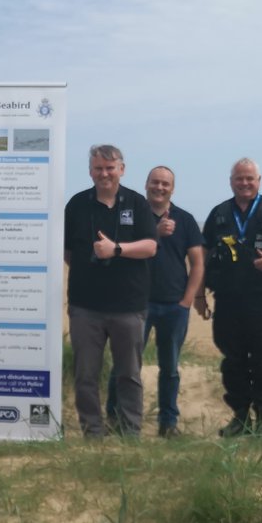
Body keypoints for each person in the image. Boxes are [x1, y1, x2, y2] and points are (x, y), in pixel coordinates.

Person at [195, 158, 262, 437]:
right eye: (239, 178)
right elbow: (202, 255)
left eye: (249, 179)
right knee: (232, 361)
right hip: (226, 301)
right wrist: (198, 294)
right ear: (231, 181)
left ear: (259, 181)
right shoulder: (219, 213)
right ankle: (240, 418)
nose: (244, 183)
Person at [64, 145, 157, 439]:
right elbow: (68, 251)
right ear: (90, 171)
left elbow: (150, 247)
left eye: (109, 167)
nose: (104, 173)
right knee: (86, 375)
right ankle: (92, 431)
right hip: (85, 307)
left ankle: (130, 432)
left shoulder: (138, 203)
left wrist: (116, 250)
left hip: (128, 306)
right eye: (98, 168)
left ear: (122, 169)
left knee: (129, 374)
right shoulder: (77, 204)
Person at [104, 166, 203, 438]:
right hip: (137, 304)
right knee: (126, 365)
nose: (159, 188)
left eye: (165, 184)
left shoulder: (186, 219)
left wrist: (187, 301)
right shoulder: (130, 215)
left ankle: (168, 423)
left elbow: (197, 263)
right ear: (146, 184)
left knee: (170, 368)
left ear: (173, 188)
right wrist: (155, 232)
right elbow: (119, 252)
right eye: (155, 182)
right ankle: (115, 418)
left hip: (174, 306)